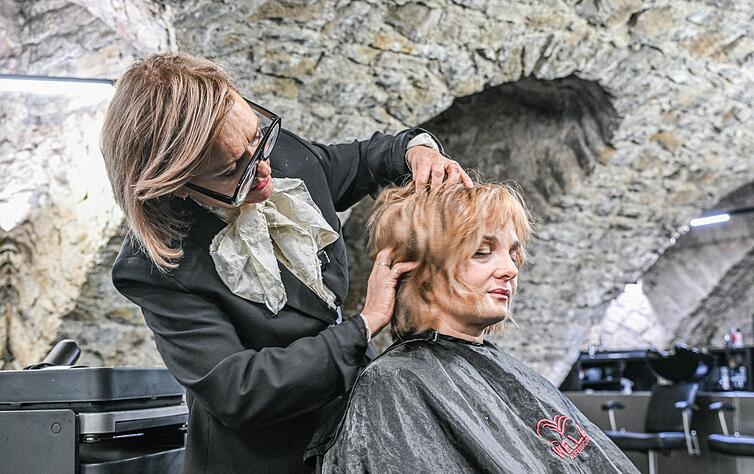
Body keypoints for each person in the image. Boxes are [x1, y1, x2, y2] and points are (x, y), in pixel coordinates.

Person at [99, 52, 471, 473]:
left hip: (348, 438)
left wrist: (418, 151)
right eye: (231, 171)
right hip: (263, 459)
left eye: (258, 139)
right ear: (176, 186)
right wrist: (364, 324)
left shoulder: (278, 155)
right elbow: (240, 389)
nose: (264, 171)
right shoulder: (155, 269)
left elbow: (368, 159)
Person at [310, 181, 640, 473]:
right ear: (422, 272)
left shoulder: (500, 371)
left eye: (513, 254)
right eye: (482, 252)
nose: (510, 270)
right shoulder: (394, 384)